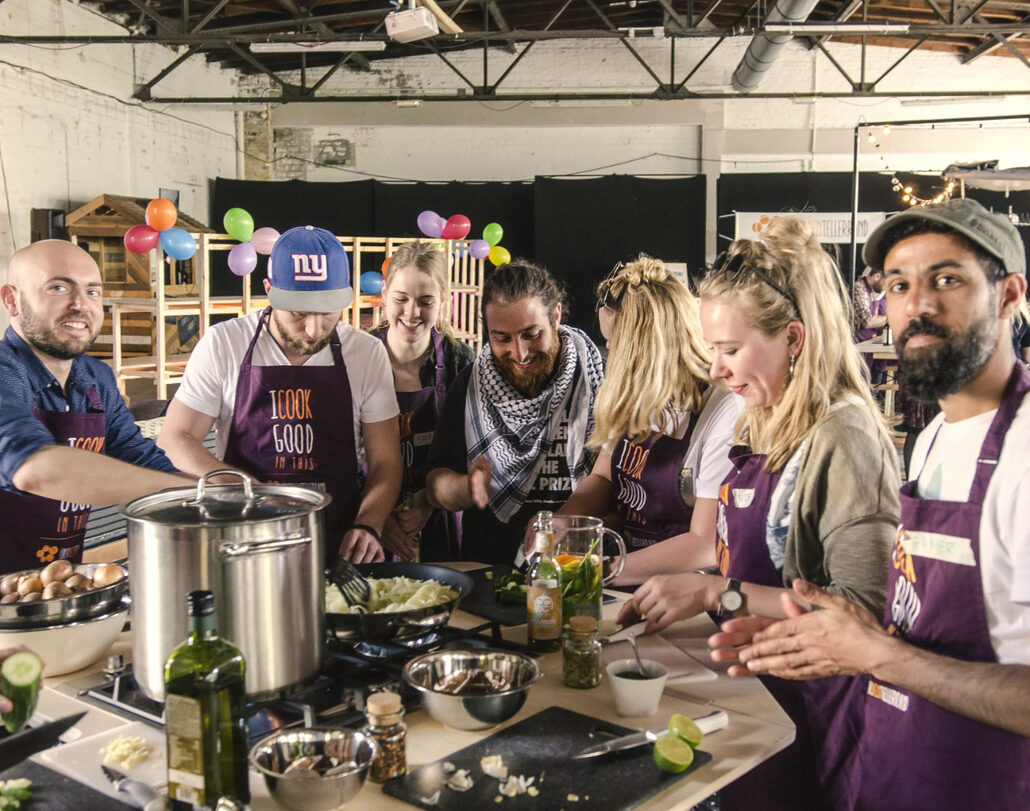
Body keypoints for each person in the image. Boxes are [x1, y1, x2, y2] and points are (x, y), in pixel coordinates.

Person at [714, 198, 1030, 809]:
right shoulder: (938, 435)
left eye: (948, 280)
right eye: (899, 284)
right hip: (900, 769)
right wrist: (818, 635)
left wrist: (879, 652)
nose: (919, 305)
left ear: (1010, 294)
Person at [616, 218, 899, 810]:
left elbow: (863, 614)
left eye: (729, 350)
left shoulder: (843, 438)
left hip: (813, 717)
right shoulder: (763, 415)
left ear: (793, 339)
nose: (716, 369)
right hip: (756, 693)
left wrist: (719, 593)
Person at [158, 226, 401, 563]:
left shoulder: (366, 353)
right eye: (299, 313)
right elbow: (175, 438)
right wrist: (248, 491)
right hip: (244, 536)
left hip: (338, 538)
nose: (314, 329)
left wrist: (368, 525)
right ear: (270, 292)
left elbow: (386, 462)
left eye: (328, 312)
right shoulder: (225, 344)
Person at [550, 257, 741, 580]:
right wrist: (563, 522)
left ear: (647, 349)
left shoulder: (724, 408)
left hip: (689, 590)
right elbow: (604, 478)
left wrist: (597, 572)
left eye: (615, 342)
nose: (608, 348)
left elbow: (705, 543)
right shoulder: (634, 390)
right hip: (627, 576)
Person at [0, 240, 184, 572]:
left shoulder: (95, 378)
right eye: (58, 287)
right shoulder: (5, 375)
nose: (80, 305)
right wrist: (185, 490)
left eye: (93, 292)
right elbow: (34, 469)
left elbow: (137, 455)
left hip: (57, 584)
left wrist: (221, 494)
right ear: (12, 300)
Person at [425, 260, 604, 565]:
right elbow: (434, 486)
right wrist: (466, 487)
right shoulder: (469, 385)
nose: (519, 353)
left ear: (556, 316)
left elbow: (614, 486)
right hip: (488, 572)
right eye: (502, 338)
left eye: (531, 334)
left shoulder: (598, 379)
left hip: (577, 568)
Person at [368, 241, 474, 561]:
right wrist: (377, 516)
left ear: (443, 302)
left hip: (441, 524)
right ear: (384, 295)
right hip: (369, 526)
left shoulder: (462, 365)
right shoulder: (358, 359)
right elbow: (343, 453)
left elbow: (474, 453)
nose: (412, 312)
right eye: (401, 299)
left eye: (426, 301)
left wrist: (429, 498)